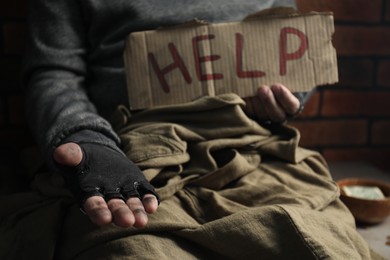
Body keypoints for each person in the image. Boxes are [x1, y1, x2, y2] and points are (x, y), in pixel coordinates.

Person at [0, 0, 382, 259]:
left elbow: (291, 56)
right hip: (127, 147)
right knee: (135, 249)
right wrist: (86, 137)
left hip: (247, 143)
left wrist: (283, 100)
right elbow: (53, 71)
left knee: (318, 239)